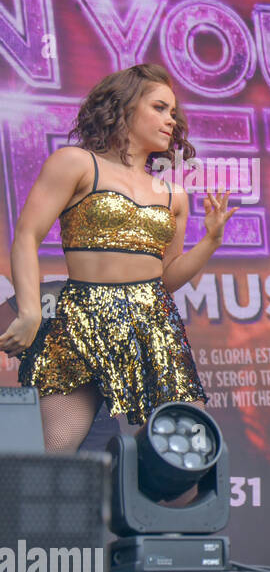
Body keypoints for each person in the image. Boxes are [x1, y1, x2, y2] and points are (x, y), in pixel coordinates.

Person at [0, 64, 235, 450]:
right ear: (124, 107)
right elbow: (26, 235)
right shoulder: (76, 163)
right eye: (160, 108)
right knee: (54, 449)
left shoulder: (173, 194)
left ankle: (131, 506)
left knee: (184, 449)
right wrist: (29, 311)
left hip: (153, 320)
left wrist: (210, 241)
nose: (170, 121)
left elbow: (167, 278)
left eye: (173, 113)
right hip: (83, 315)